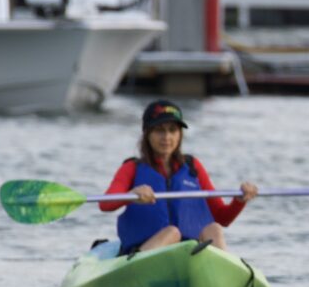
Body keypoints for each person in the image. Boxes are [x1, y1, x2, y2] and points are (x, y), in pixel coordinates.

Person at [97, 99, 258, 256]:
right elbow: (105, 204)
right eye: (159, 130)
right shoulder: (131, 168)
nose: (166, 137)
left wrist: (240, 200)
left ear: (180, 134)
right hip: (144, 254)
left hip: (189, 254)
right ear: (147, 134)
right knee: (172, 233)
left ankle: (225, 276)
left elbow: (223, 218)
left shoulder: (193, 167)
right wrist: (131, 195)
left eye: (172, 130)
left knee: (214, 229)